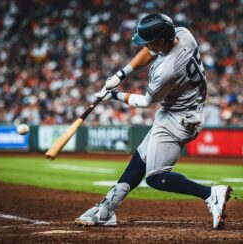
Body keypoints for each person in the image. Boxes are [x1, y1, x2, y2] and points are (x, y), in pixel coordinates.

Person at [75, 13, 232, 229]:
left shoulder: (168, 69)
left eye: (150, 40)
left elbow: (146, 101)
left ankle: (210, 194)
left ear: (160, 40)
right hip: (184, 112)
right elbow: (149, 52)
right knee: (140, 158)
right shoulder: (183, 35)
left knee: (156, 177)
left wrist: (113, 95)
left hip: (178, 120)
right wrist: (121, 74)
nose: (147, 44)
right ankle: (107, 210)